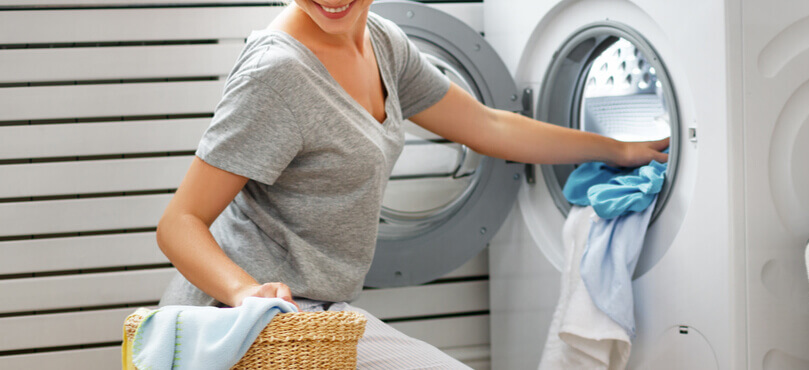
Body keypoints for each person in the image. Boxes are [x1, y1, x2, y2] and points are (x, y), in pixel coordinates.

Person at [155, 0, 668, 368]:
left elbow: (488, 126)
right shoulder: (277, 73)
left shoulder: (381, 41)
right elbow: (179, 224)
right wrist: (248, 294)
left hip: (321, 315)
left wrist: (618, 149)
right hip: (251, 320)